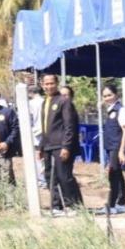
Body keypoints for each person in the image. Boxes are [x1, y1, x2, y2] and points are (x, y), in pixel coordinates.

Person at [38, 73, 82, 216]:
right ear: (42, 85)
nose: (49, 86)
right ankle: (57, 206)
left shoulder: (63, 101)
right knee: (50, 176)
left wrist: (66, 146)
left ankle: (71, 205)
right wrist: (41, 147)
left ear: (56, 84)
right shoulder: (45, 102)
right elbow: (45, 127)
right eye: (46, 84)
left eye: (52, 83)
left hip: (60, 145)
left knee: (64, 176)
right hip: (48, 146)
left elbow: (69, 126)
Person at [100, 84, 125, 214]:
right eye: (105, 96)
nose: (107, 98)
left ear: (116, 95)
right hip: (110, 146)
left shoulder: (120, 110)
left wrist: (121, 150)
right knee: (117, 173)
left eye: (109, 95)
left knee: (113, 174)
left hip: (116, 146)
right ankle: (121, 202)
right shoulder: (109, 110)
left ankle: (112, 204)